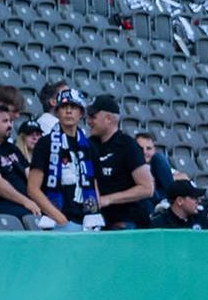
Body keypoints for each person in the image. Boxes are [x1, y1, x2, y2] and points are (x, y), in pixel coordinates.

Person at [26, 89, 98, 229]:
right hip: (57, 221)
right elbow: (33, 188)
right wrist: (60, 219)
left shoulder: (90, 146)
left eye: (73, 107)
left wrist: (96, 214)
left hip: (87, 221)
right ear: (57, 112)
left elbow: (94, 186)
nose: (68, 111)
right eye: (64, 107)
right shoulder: (45, 143)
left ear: (81, 113)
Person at [85, 96, 156, 229]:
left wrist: (108, 199)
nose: (88, 121)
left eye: (93, 117)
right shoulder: (89, 144)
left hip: (125, 221)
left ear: (108, 119)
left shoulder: (128, 145)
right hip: (96, 220)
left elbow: (147, 188)